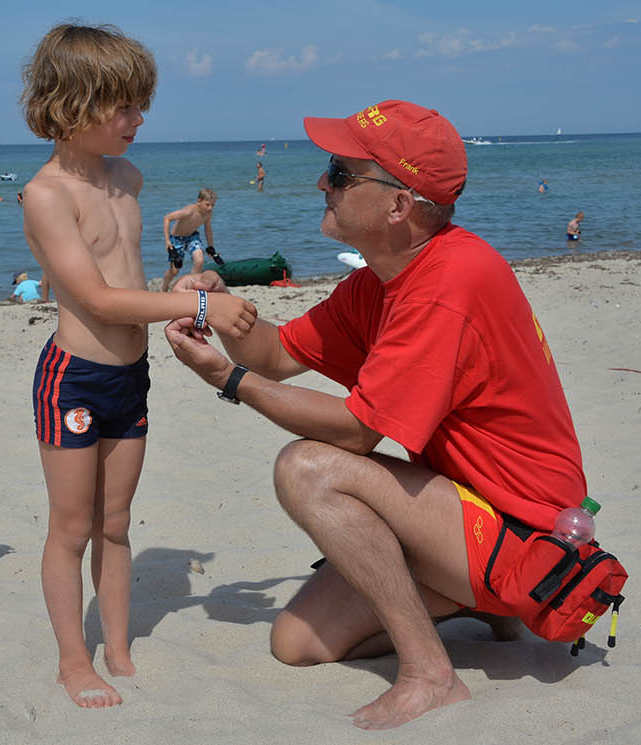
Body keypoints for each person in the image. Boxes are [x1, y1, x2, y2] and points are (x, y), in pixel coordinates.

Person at [164, 100, 587, 729]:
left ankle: (432, 673)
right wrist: (220, 311)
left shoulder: (450, 281)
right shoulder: (384, 280)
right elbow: (279, 354)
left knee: (307, 468)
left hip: (530, 529)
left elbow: (358, 433)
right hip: (463, 507)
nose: (321, 184)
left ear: (399, 204)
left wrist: (229, 380)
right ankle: (477, 603)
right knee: (296, 645)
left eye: (340, 173)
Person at [19, 22, 258, 709]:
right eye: (122, 105)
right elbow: (91, 297)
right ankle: (73, 660)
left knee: (115, 522)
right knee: (70, 527)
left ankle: (117, 646)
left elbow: (131, 284)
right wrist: (192, 309)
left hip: (130, 377)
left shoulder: (128, 177)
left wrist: (183, 289)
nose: (137, 119)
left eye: (139, 103)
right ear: (71, 103)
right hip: (75, 378)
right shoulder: (45, 194)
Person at [160, 188, 225, 292]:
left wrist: (211, 247)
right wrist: (167, 240)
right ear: (199, 201)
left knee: (199, 261)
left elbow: (208, 230)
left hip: (192, 237)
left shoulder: (208, 214)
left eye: (213, 205)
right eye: (207, 204)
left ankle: (191, 286)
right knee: (174, 270)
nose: (210, 208)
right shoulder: (188, 211)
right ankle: (164, 288)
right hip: (176, 239)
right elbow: (167, 218)